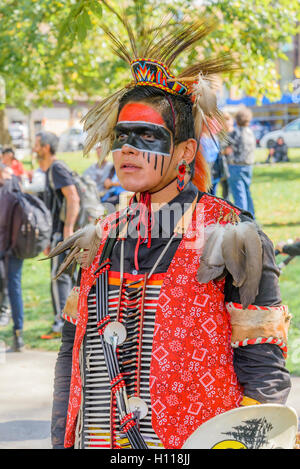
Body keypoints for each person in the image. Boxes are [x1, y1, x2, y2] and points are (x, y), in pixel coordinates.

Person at [50, 16, 291, 450]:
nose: (127, 147)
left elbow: (263, 361)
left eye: (147, 136)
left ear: (185, 151)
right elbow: (71, 355)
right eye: (122, 135)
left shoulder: (232, 235)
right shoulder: (99, 238)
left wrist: (243, 443)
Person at [33, 131, 80, 338]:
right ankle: (68, 323)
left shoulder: (57, 168)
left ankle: (61, 325)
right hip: (56, 235)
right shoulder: (49, 170)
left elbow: (73, 197)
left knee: (59, 279)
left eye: (36, 143)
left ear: (46, 147)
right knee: (65, 279)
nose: (34, 147)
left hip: (63, 234)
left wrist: (67, 230)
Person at [0, 163, 25, 351]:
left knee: (11, 287)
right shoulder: (16, 184)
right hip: (17, 246)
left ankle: (17, 336)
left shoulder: (7, 188)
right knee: (14, 287)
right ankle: (18, 336)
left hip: (7, 246)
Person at [226, 107, 256, 217]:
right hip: (248, 165)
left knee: (239, 195)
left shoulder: (234, 133)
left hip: (235, 166)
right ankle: (251, 216)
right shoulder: (250, 133)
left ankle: (243, 218)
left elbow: (227, 149)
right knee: (247, 193)